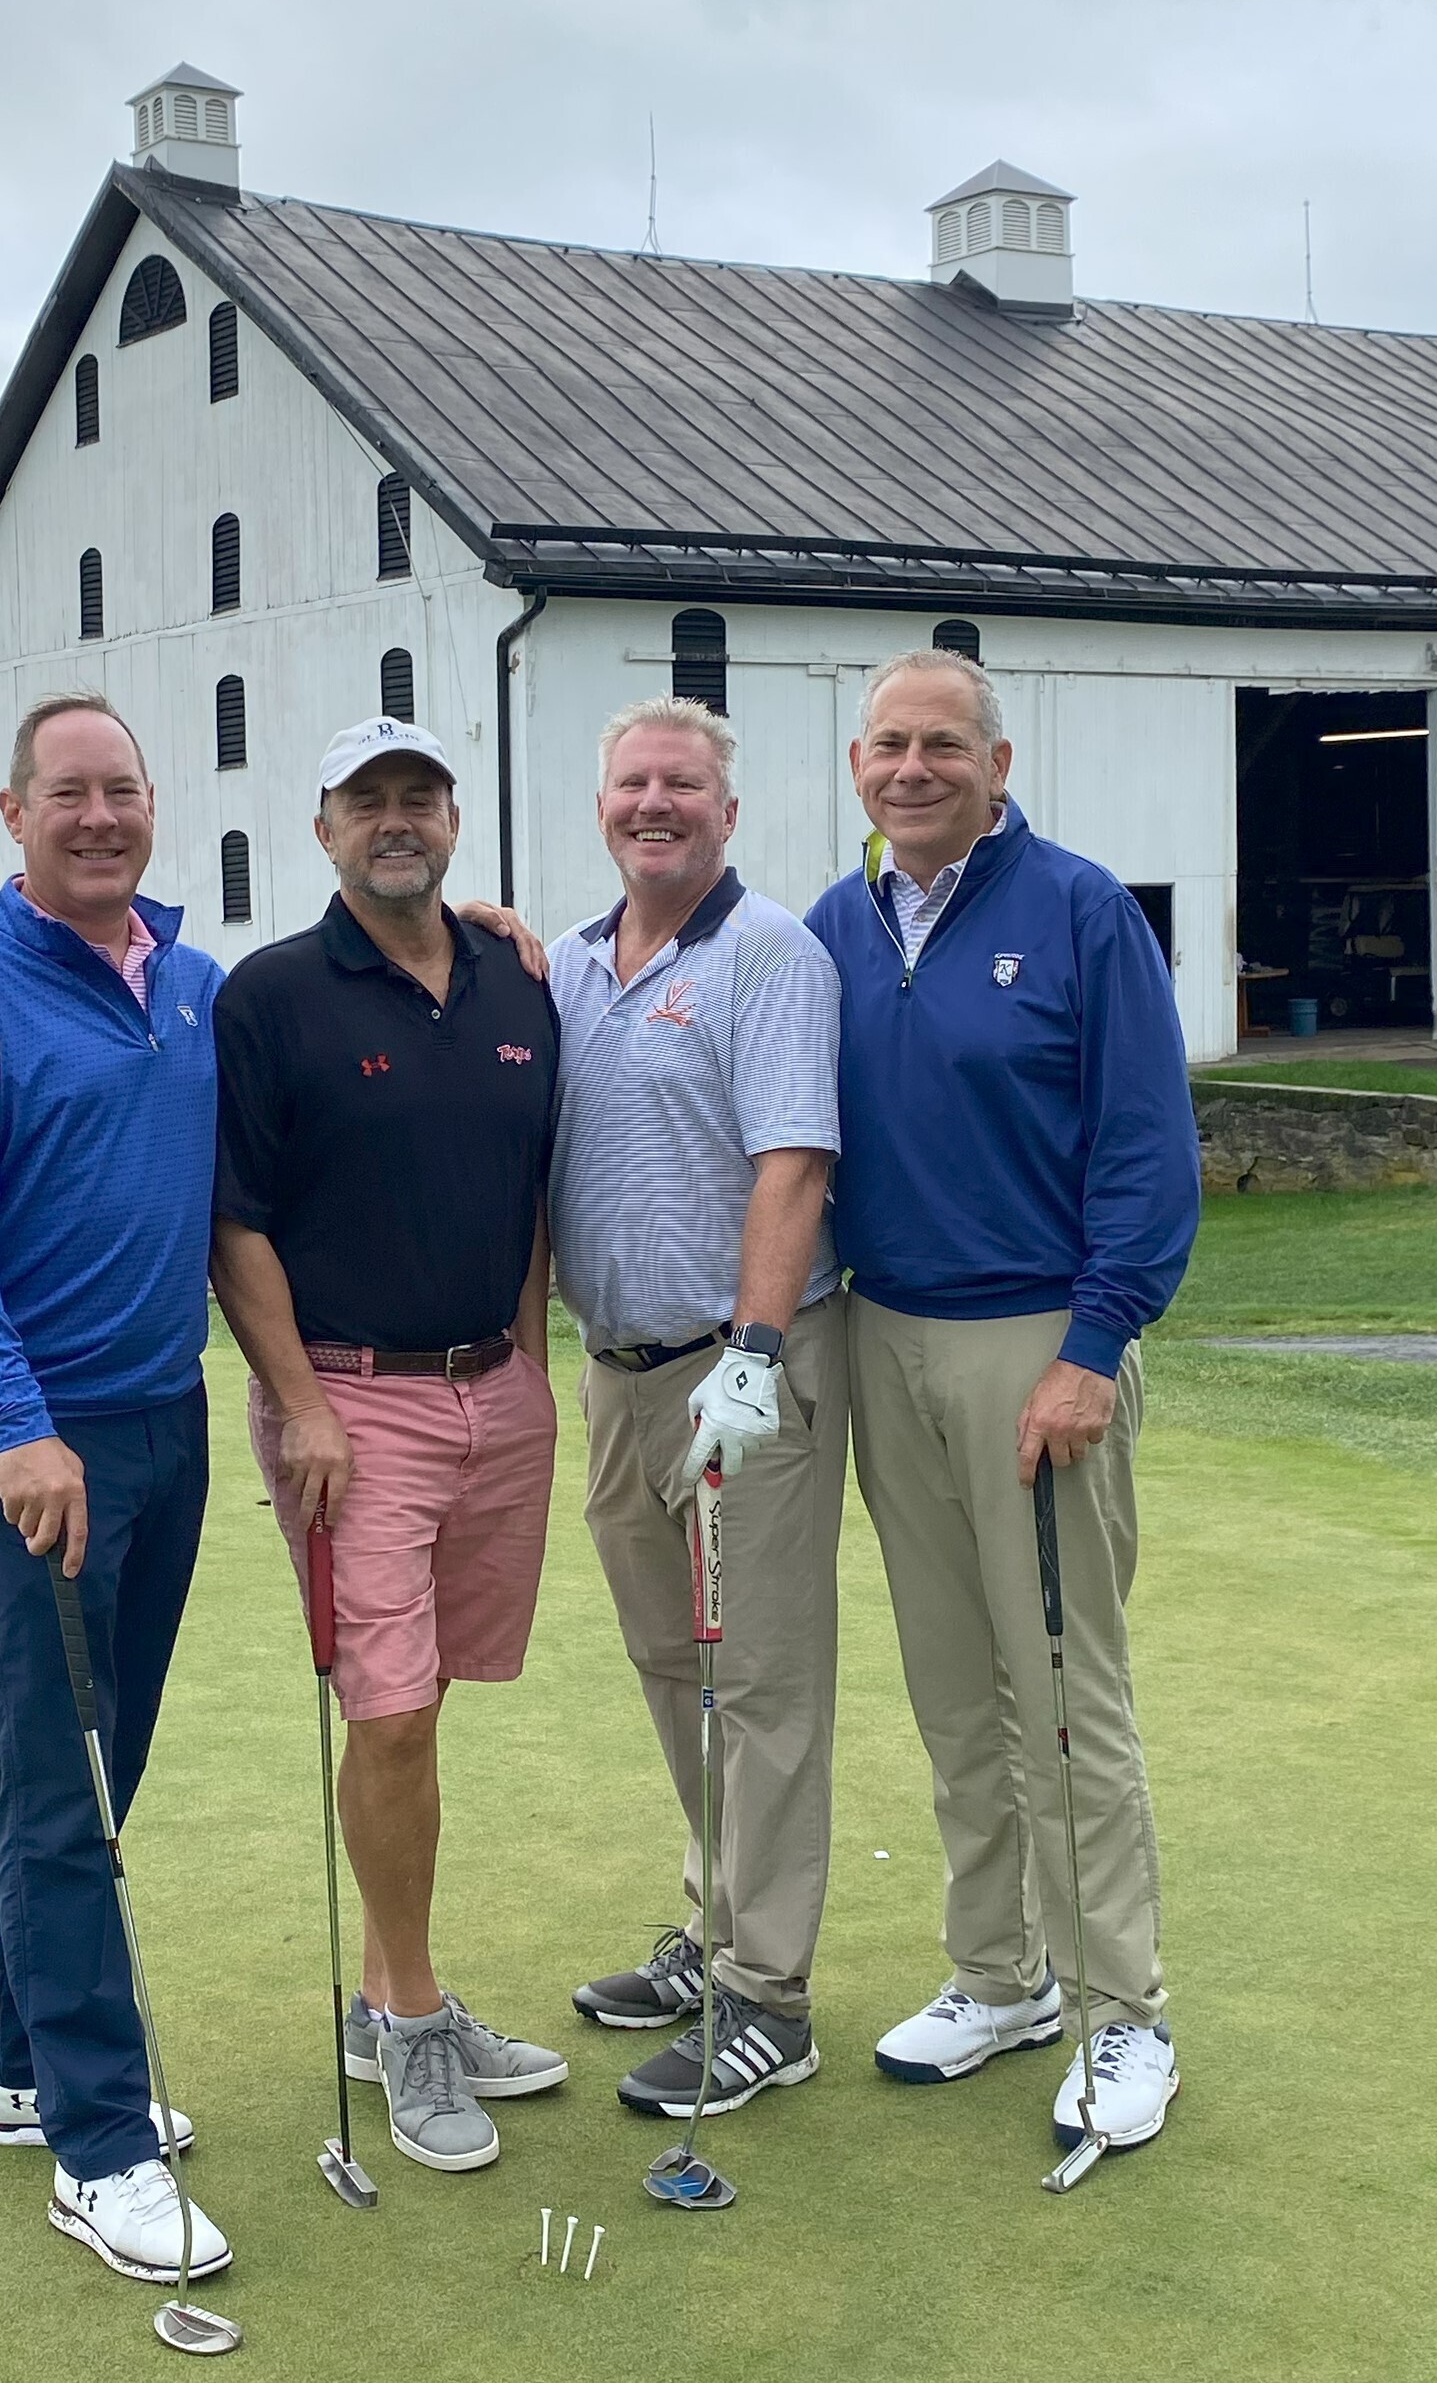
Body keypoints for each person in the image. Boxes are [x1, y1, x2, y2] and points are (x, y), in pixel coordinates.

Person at [804, 646, 1200, 2156]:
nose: (912, 770)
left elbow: (1147, 1144)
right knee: (952, 1684)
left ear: (996, 764)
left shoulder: (1081, 910)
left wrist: (1094, 1347)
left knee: (1062, 1692)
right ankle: (998, 1973)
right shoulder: (836, 923)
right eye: (887, 747)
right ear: (857, 766)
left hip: (1038, 1341)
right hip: (884, 1333)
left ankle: (1123, 2009)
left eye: (942, 746)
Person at [0, 690, 233, 2286]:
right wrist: (17, 1425)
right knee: (58, 1776)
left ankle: (15, 2067)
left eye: (121, 790)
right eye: (65, 793)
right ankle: (97, 2146)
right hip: (25, 1433)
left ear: (151, 806)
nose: (98, 816)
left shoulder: (192, 986)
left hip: (164, 1416)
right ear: (12, 815)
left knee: (102, 1752)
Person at [211, 715, 572, 2175]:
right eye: (366, 801)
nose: (395, 819)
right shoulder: (272, 995)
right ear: (323, 830)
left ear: (453, 819)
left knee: (427, 1703)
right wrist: (301, 1405)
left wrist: (530, 1361)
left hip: (496, 1388)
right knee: (393, 1711)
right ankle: (412, 2015)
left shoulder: (515, 978)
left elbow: (531, 1186)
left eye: (419, 795)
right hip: (350, 1408)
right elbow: (235, 1224)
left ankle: (387, 1991)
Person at [548, 695, 850, 2121]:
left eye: (681, 784)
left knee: (763, 1684)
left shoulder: (769, 953)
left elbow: (794, 1163)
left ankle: (768, 1995)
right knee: (675, 1669)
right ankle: (716, 1918)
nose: (652, 802)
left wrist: (757, 1348)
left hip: (740, 1376)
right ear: (601, 805)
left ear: (727, 812)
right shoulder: (565, 963)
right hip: (616, 1373)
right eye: (631, 782)